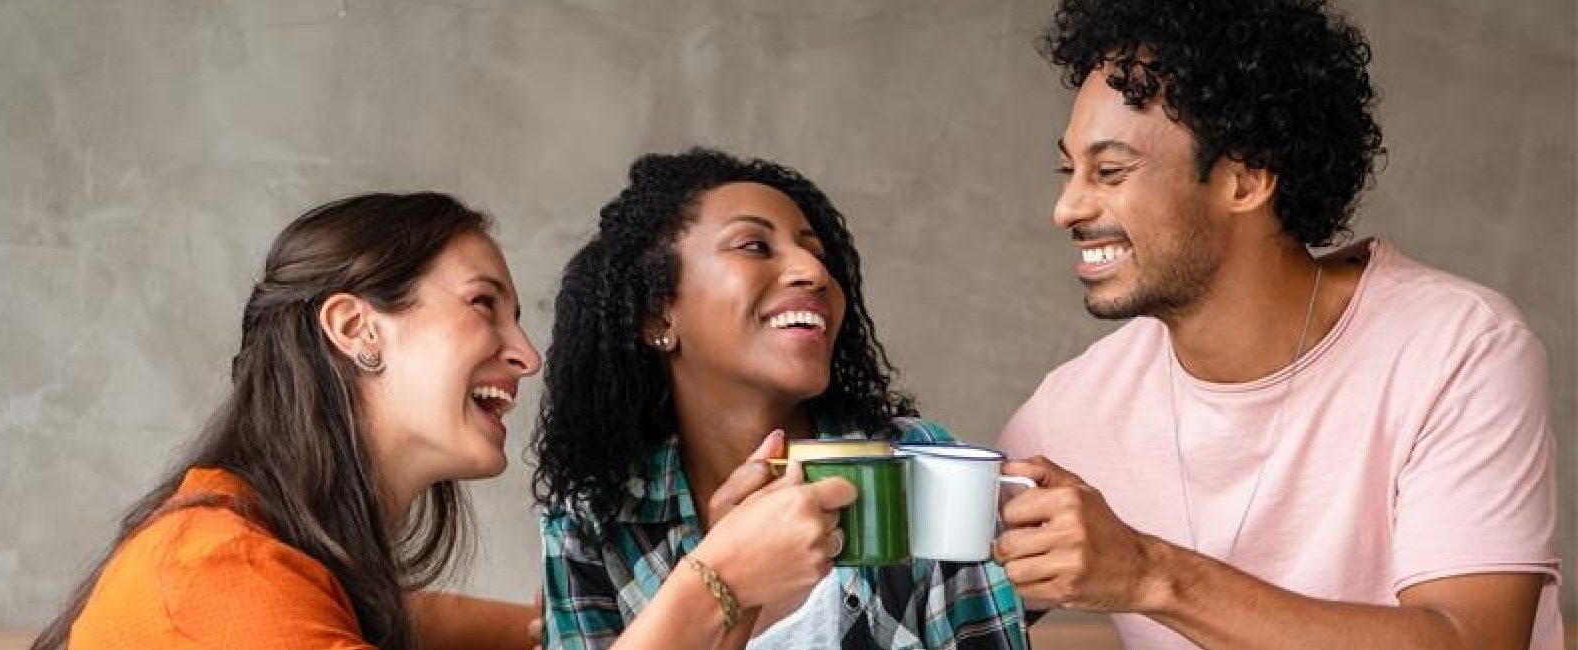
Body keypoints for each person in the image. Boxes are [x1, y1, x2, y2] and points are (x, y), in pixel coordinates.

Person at [992, 1, 1563, 649]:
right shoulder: (1074, 410)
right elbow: (931, 606)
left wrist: (1149, 573)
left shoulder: (1458, 349)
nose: (1066, 207)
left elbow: (1472, 641)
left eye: (1111, 171)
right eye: (1071, 171)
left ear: (1245, 180)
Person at [532, 147, 1030, 649]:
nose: (813, 272)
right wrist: (722, 585)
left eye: (818, 253)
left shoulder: (922, 464)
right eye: (754, 246)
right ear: (658, 316)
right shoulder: (596, 518)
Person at [31, 193, 544, 650]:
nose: (528, 355)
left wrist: (559, 624)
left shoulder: (281, 566)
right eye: (482, 303)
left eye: (517, 318)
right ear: (355, 328)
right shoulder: (216, 566)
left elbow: (420, 618)